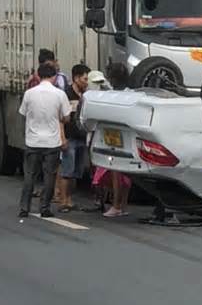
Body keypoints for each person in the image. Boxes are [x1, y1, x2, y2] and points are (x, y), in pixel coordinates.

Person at [18, 63, 71, 218]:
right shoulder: (59, 95)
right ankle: (44, 208)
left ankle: (24, 207)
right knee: (49, 176)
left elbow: (23, 113)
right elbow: (66, 117)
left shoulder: (29, 93)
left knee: (30, 175)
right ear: (54, 77)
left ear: (39, 76)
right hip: (52, 142)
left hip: (33, 141)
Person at [91, 63, 132, 218]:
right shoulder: (131, 94)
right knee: (127, 174)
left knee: (116, 173)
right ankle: (123, 205)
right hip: (129, 137)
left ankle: (116, 205)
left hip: (114, 138)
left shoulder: (110, 96)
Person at [58, 64, 90, 213]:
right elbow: (60, 118)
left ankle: (70, 200)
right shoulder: (66, 94)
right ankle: (63, 201)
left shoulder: (86, 95)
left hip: (82, 138)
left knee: (77, 172)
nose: (86, 82)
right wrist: (62, 138)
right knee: (67, 171)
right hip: (69, 138)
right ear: (76, 78)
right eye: (85, 78)